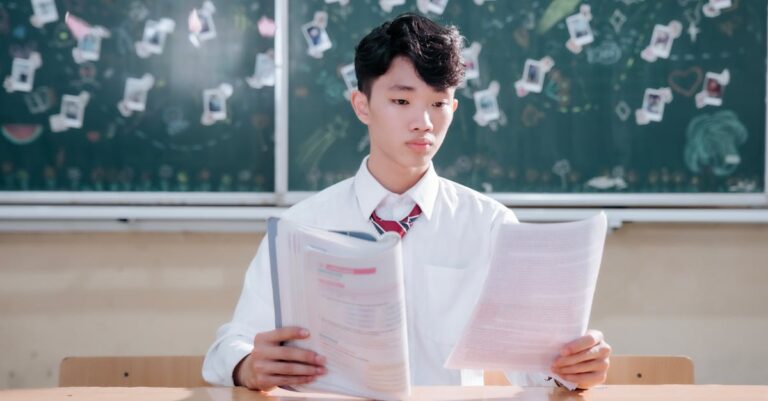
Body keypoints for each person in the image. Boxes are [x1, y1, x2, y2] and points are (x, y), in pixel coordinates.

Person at [203, 13, 611, 392]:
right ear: (362, 105)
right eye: (402, 101)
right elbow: (228, 347)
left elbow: (531, 365)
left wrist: (568, 369)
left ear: (453, 108)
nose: (424, 122)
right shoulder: (302, 225)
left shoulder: (490, 224)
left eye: (437, 103)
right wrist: (248, 366)